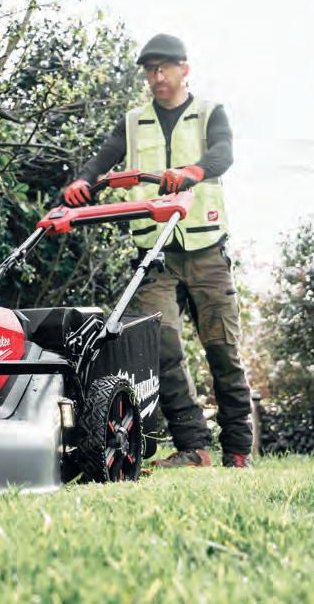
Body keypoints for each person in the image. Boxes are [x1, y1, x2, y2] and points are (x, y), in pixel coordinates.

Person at [62, 33, 252, 468]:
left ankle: (238, 450)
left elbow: (223, 153)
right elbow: (103, 159)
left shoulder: (209, 113)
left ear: (185, 69)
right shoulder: (134, 122)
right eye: (150, 70)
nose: (157, 76)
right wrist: (82, 182)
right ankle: (194, 447)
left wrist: (193, 171)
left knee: (222, 348)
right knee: (160, 347)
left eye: (164, 68)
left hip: (206, 250)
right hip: (156, 253)